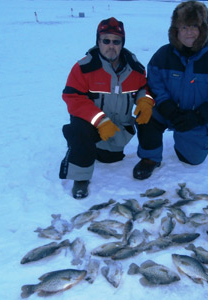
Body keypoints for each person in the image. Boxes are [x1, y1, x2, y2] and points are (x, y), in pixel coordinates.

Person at [133, 0, 208, 180]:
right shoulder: (163, 55)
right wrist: (166, 106)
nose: (189, 32)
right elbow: (153, 83)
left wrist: (200, 116)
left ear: (203, 28)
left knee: (191, 159)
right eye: (184, 27)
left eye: (194, 26)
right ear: (176, 30)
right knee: (145, 114)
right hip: (168, 111)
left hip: (197, 117)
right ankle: (150, 158)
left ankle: (187, 140)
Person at [60, 17, 154, 199]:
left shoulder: (135, 68)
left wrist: (145, 100)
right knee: (78, 127)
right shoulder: (83, 68)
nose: (111, 46)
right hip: (94, 127)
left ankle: (145, 156)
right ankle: (81, 177)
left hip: (117, 132)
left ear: (122, 44)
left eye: (116, 41)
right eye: (106, 40)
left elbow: (145, 88)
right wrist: (100, 120)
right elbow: (72, 97)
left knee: (109, 159)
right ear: (98, 41)